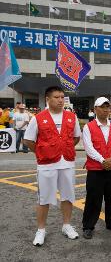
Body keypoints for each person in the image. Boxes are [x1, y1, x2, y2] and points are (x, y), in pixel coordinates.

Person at [23, 86, 81, 246]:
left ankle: (67, 225)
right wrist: (43, 151)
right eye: (56, 97)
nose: (61, 100)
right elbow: (28, 140)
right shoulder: (38, 118)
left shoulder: (71, 117)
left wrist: (63, 147)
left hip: (67, 162)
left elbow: (76, 137)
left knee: (68, 196)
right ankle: (41, 230)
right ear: (48, 99)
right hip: (46, 164)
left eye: (62, 97)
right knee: (44, 198)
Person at [81, 97, 111, 239]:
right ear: (95, 109)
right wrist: (102, 160)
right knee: (93, 198)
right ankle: (88, 226)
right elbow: (88, 147)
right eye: (102, 107)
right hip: (95, 170)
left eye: (108, 107)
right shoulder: (89, 127)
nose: (106, 110)